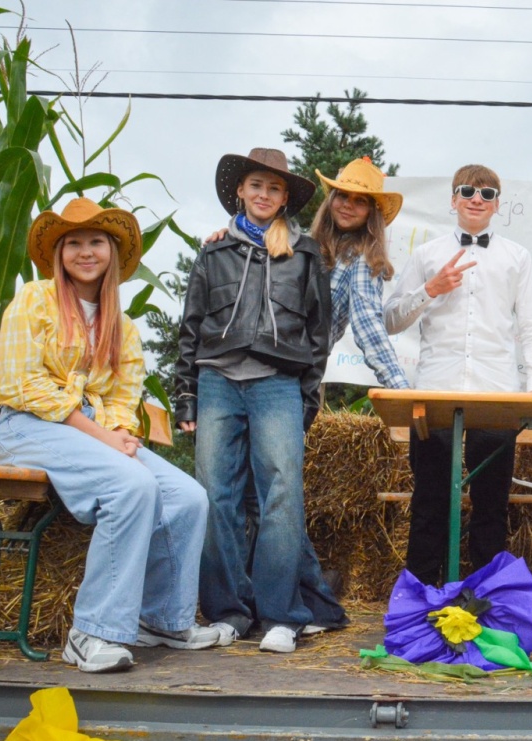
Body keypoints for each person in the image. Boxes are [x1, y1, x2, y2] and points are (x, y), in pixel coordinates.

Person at [0, 198, 220, 673]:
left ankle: (160, 619)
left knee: (187, 496)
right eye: (73, 243)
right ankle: (91, 633)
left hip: (89, 430)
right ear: (59, 254)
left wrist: (118, 430)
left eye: (96, 241)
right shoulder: (35, 299)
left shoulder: (122, 325)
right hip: (30, 425)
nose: (85, 251)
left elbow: (122, 394)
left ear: (112, 253)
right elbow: (20, 384)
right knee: (131, 485)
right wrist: (101, 435)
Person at [176, 147, 347, 654]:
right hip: (216, 382)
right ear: (240, 191)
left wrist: (307, 397)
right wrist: (186, 396)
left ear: (285, 198)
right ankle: (229, 612)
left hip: (277, 381)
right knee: (216, 496)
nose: (264, 195)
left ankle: (282, 615)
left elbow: (320, 335)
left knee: (281, 496)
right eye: (256, 186)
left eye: (274, 189)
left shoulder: (307, 252)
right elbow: (190, 329)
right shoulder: (213, 252)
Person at [383, 164, 532, 585]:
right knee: (430, 500)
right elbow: (391, 320)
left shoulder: (517, 257)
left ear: (497, 205)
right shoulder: (427, 255)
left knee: (492, 504)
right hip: (436, 391)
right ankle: (420, 602)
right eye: (468, 190)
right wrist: (430, 290)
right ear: (453, 199)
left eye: (487, 193)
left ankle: (485, 603)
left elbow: (530, 325)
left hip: (496, 393)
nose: (477, 198)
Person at [313, 156, 410, 389]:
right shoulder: (303, 246)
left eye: (360, 201)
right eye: (343, 195)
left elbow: (368, 325)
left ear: (371, 213)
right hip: (248, 363)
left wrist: (402, 392)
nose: (348, 204)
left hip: (296, 373)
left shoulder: (360, 259)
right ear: (331, 199)